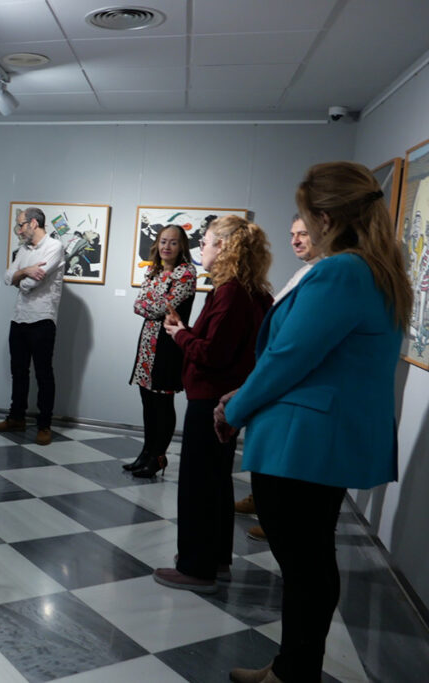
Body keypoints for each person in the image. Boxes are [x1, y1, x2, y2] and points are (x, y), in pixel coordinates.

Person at [218, 163, 411, 683]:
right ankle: (292, 667)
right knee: (311, 562)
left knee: (304, 567)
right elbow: (313, 357)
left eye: (306, 217)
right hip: (320, 438)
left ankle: (293, 671)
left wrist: (233, 410)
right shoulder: (377, 269)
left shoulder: (342, 271)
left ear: (324, 218)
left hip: (303, 441)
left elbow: (288, 357)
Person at [153, 215, 272, 593]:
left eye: (205, 242)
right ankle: (215, 557)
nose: (200, 247)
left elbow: (213, 353)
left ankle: (196, 567)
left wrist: (180, 334)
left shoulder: (231, 292)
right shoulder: (250, 290)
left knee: (198, 486)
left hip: (210, 398)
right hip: (224, 398)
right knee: (216, 484)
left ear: (224, 247)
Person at [235, 214, 323, 541]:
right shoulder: (306, 271)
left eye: (303, 233)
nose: (296, 240)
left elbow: (294, 345)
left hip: (292, 390)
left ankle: (278, 520)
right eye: (292, 234)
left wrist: (239, 403)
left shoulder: (326, 274)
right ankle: (270, 511)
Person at [126, 224, 196, 477]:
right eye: (163, 241)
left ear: (182, 246)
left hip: (168, 344)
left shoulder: (186, 273)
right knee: (147, 399)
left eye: (173, 242)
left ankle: (158, 457)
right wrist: (150, 304)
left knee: (163, 402)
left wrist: (149, 303)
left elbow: (157, 308)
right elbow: (139, 304)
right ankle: (146, 452)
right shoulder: (153, 270)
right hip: (148, 343)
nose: (167, 247)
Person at [0, 207, 64, 446]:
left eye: (21, 225)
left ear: (33, 223)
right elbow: (7, 277)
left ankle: (44, 425)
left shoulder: (54, 247)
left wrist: (21, 277)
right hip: (19, 318)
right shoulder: (23, 249)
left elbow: (28, 284)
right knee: (18, 372)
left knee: (44, 374)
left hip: (42, 319)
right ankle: (16, 418)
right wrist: (24, 271)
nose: (19, 229)